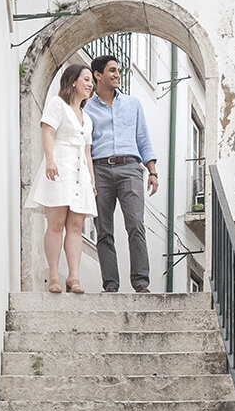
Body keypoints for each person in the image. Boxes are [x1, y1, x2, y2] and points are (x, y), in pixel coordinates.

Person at [84, 53, 158, 293]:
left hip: (129, 168)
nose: (117, 75)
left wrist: (152, 171)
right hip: (100, 169)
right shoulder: (86, 108)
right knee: (103, 229)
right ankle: (111, 285)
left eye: (118, 71)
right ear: (98, 75)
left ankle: (140, 282)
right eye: (112, 70)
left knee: (135, 224)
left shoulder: (133, 104)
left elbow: (143, 138)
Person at [24, 63, 97, 294]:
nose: (90, 84)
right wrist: (50, 159)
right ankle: (54, 276)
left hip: (80, 173)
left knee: (76, 226)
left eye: (91, 81)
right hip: (60, 168)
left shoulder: (87, 117)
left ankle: (74, 277)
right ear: (73, 80)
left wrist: (92, 180)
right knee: (55, 224)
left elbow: (87, 151)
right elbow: (47, 131)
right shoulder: (58, 104)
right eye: (86, 79)